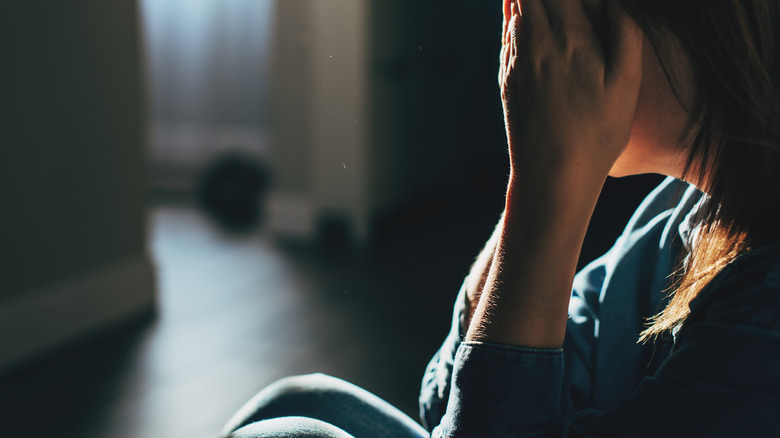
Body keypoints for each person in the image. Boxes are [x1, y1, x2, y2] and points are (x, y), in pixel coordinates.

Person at [219, 0, 780, 436]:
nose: (543, 32)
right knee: (299, 404)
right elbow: (452, 402)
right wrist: (533, 176)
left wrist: (549, 185)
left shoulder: (765, 320)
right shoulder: (682, 217)